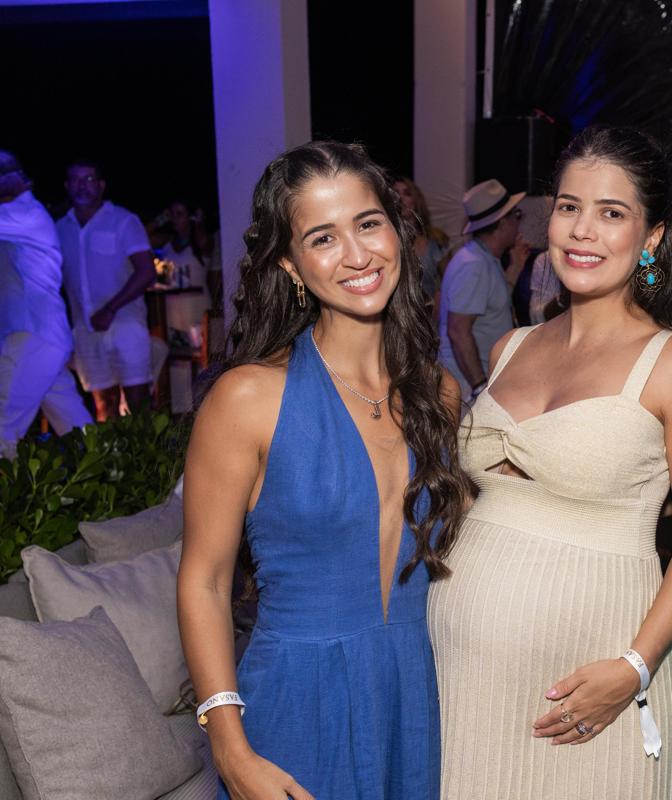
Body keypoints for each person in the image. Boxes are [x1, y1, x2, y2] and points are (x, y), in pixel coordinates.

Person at [427, 126, 672, 798]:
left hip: (597, 687)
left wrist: (634, 667)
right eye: (569, 206)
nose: (582, 230)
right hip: (467, 679)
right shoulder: (509, 347)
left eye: (611, 212)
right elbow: (478, 500)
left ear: (651, 238)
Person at [177, 141, 471, 799]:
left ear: (398, 232)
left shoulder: (438, 394)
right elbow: (205, 580)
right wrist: (230, 750)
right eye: (323, 238)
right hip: (297, 704)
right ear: (290, 264)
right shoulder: (248, 398)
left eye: (368, 224)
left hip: (416, 697)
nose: (357, 254)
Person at [0, 151, 92, 457]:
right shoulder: (17, 216)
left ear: (19, 179)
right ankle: (113, 473)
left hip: (31, 336)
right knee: (78, 429)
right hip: (43, 337)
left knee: (3, 425)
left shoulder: (25, 214)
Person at [55, 159, 158, 421]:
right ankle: (111, 450)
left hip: (125, 324)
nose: (82, 186)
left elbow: (147, 271)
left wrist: (110, 309)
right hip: (85, 328)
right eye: (76, 180)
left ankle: (145, 449)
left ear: (101, 185)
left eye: (89, 179)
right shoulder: (60, 228)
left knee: (138, 402)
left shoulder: (123, 220)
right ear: (67, 185)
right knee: (103, 404)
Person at [437, 178, 529, 398]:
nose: (519, 223)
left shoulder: (484, 259)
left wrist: (516, 266)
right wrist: (479, 386)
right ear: (503, 223)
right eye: (516, 215)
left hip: (476, 383)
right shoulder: (474, 265)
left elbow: (493, 306)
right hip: (466, 389)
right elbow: (458, 330)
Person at [392, 176, 449, 301]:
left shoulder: (435, 240)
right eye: (396, 193)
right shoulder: (385, 240)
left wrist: (439, 298)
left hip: (428, 309)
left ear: (415, 200)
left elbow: (449, 280)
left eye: (407, 193)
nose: (401, 198)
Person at [158, 199, 212, 291]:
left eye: (179, 214)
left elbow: (203, 243)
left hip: (198, 300)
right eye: (171, 214)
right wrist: (161, 219)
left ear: (191, 217)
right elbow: (138, 238)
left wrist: (198, 221)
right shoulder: (166, 240)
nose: (174, 218)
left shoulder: (201, 240)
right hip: (170, 300)